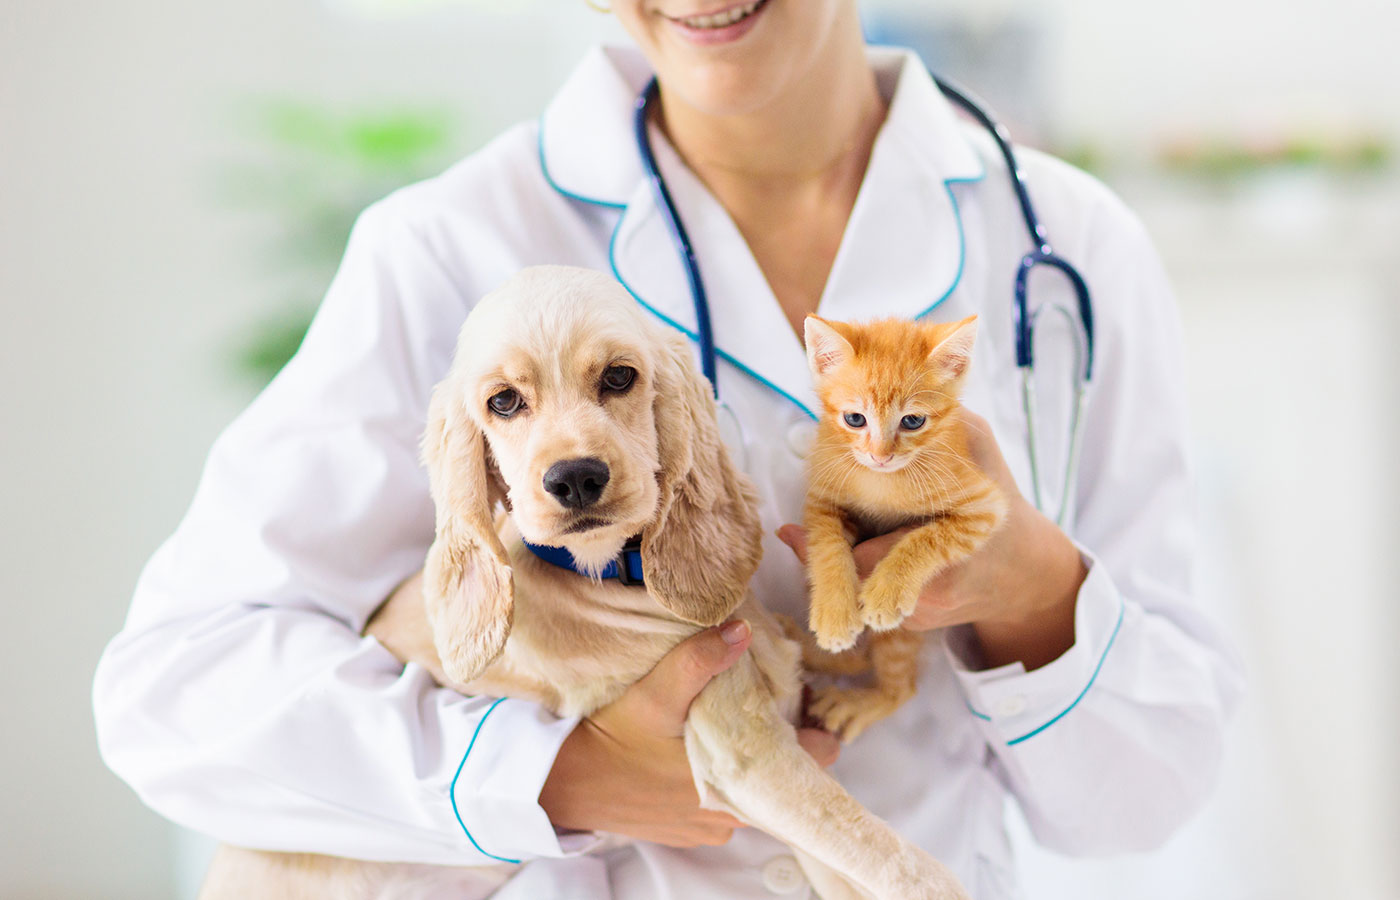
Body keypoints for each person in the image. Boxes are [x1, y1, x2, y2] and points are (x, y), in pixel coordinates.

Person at [93, 2, 1244, 897]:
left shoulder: (1070, 247)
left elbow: (1142, 798)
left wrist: (1033, 585)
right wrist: (549, 774)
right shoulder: (446, 252)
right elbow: (173, 694)